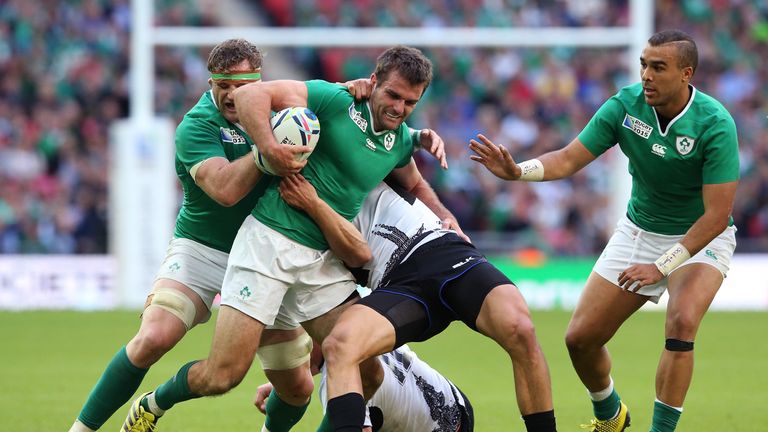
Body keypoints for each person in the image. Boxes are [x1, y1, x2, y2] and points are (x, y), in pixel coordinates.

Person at [122, 45, 461, 432]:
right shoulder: (334, 100)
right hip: (268, 244)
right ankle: (154, 403)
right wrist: (269, 150)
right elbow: (251, 94)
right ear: (373, 83)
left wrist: (444, 215)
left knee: (367, 373)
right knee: (224, 375)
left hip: (321, 260)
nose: (399, 107)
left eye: (410, 102)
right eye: (393, 95)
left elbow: (415, 183)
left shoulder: (400, 141)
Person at [470, 29, 739, 432]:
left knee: (681, 324)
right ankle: (611, 415)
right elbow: (568, 159)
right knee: (580, 339)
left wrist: (661, 266)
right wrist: (518, 172)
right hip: (639, 232)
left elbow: (717, 216)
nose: (646, 74)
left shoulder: (715, 123)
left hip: (701, 238)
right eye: (644, 64)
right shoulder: (625, 106)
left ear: (686, 74)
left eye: (658, 67)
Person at [67, 39, 269, 432]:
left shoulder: (282, 111)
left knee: (292, 382)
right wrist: (268, 153)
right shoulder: (197, 125)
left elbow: (328, 102)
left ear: (259, 82)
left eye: (240, 86)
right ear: (210, 82)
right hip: (201, 250)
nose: (230, 95)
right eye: (221, 85)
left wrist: (354, 91)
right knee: (154, 337)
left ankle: (156, 403)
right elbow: (226, 192)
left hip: (264, 255)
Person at [277, 175, 557, 432]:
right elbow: (323, 306)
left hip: (444, 249)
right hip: (400, 282)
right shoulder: (288, 202)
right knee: (340, 345)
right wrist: (285, 384)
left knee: (520, 327)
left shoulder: (360, 140)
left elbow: (414, 178)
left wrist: (445, 214)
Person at [253, 326, 475, 432]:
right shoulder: (357, 322)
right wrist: (284, 380)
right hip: (455, 403)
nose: (293, 357)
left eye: (296, 350)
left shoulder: (336, 385)